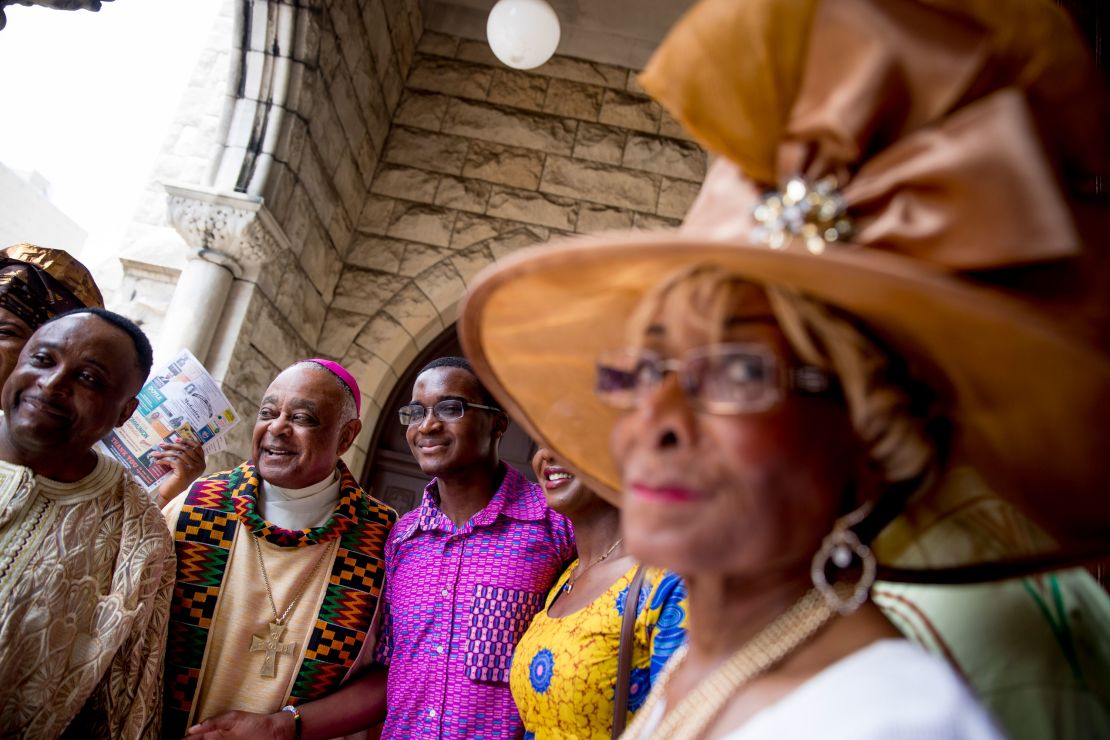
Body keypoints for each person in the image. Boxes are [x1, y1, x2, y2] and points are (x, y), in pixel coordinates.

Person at [457, 0, 1110, 737]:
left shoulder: (889, 720)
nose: (655, 423)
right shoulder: (713, 662)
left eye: (737, 375)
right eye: (644, 370)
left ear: (868, 440)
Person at [161, 359, 396, 739]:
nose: (277, 428)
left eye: (302, 418)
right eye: (268, 413)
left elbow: (395, 673)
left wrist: (281, 728)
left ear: (347, 437)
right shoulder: (198, 506)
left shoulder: (381, 539)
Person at [376, 356, 575, 738]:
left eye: (451, 408)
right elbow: (388, 671)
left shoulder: (555, 523)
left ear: (498, 422)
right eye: (415, 412)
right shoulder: (402, 539)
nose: (428, 425)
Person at [0, 308, 175, 737]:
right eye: (42, 360)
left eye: (89, 379)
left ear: (125, 412)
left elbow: (126, 707)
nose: (53, 384)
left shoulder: (138, 537)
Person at [0, 242, 206, 504]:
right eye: (42, 359)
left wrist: (170, 494)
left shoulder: (106, 495)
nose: (52, 384)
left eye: (5, 332)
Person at [511, 448, 688, 739]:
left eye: (570, 436)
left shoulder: (666, 581)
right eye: (543, 437)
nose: (548, 453)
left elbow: (687, 724)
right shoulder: (564, 579)